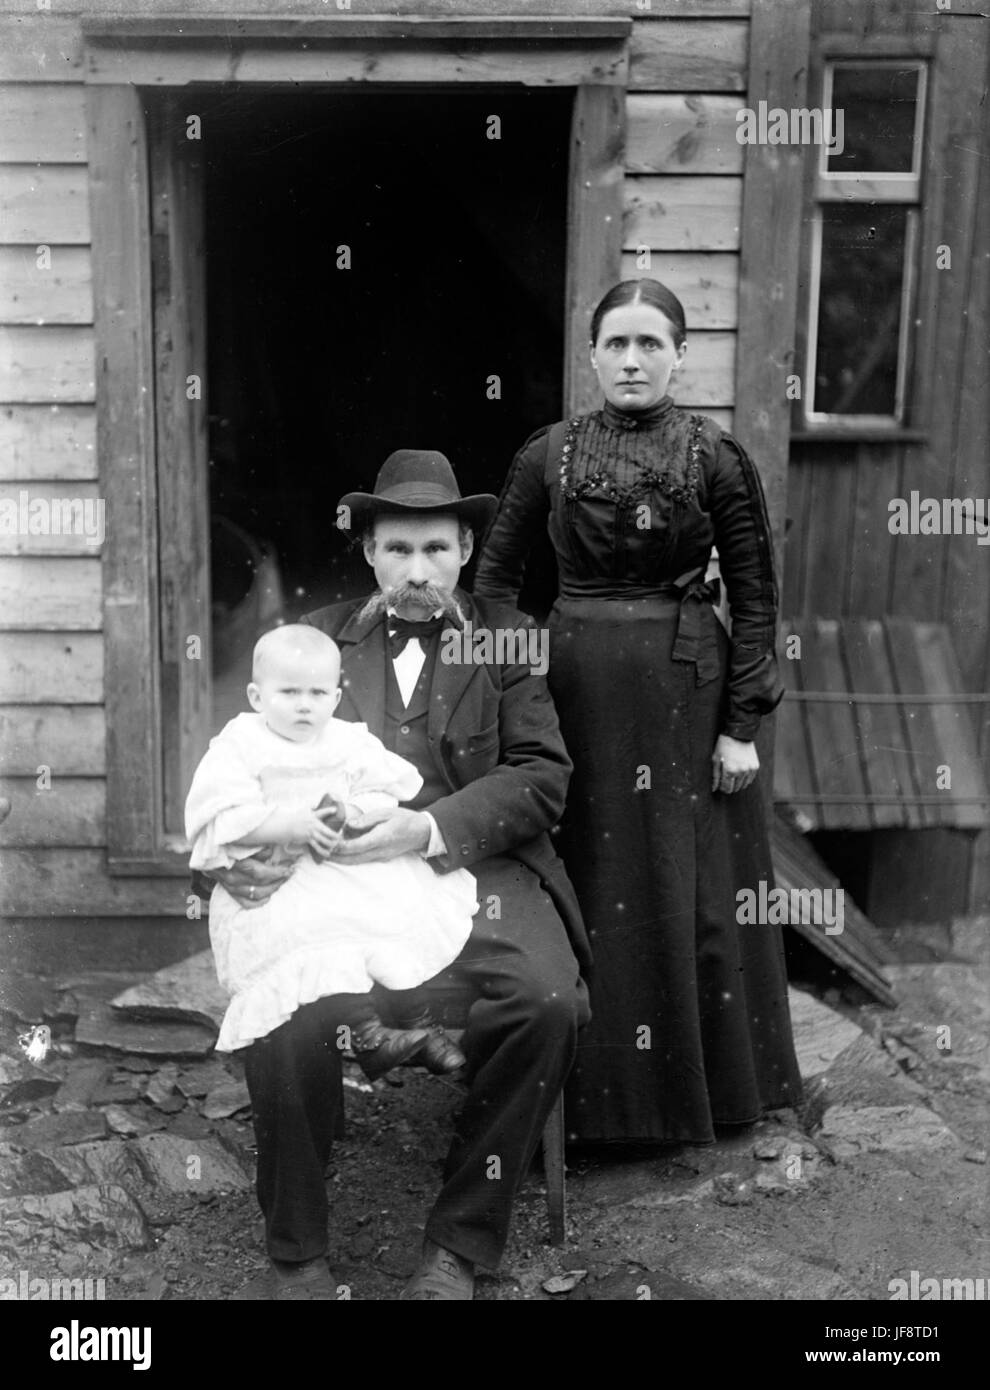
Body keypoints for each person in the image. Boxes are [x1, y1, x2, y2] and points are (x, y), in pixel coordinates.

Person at [208, 449, 590, 1301]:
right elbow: (244, 767)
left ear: (463, 550)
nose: (418, 573)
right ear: (371, 552)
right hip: (336, 878)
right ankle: (297, 1254)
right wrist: (246, 857)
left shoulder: (508, 637)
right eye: (399, 551)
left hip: (481, 869)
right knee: (282, 991)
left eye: (436, 551)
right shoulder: (310, 645)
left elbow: (541, 776)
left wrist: (425, 826)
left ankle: (458, 1241)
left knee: (547, 1003)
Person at [473, 277, 802, 1146]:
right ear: (590, 355)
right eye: (616, 343)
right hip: (575, 692)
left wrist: (741, 727)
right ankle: (587, 1107)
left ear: (680, 356)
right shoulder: (550, 454)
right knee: (591, 877)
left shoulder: (716, 457)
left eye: (650, 344)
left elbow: (758, 599)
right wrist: (517, 681)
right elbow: (497, 583)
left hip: (685, 693)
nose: (631, 360)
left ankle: (707, 1098)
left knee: (684, 887)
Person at [185, 623, 475, 1075]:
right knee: (313, 925)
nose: (304, 704)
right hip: (282, 871)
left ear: (335, 699)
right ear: (257, 697)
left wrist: (354, 811)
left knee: (396, 901)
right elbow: (220, 814)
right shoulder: (241, 745)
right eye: (289, 692)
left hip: (342, 859)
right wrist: (289, 824)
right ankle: (369, 1035)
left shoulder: (346, 740)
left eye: (318, 694)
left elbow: (385, 788)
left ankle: (419, 1023)